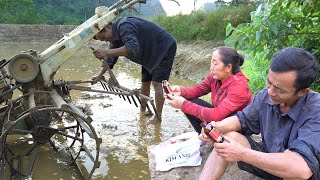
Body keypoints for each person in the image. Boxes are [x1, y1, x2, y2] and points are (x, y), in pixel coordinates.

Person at [198, 47, 320, 179]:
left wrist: (242, 153)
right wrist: (215, 127)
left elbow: (301, 170)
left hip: (295, 174)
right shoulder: (266, 96)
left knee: (295, 172)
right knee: (228, 137)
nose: (270, 92)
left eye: (279, 90)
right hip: (270, 164)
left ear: (302, 92)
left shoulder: (316, 110)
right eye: (269, 82)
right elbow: (242, 119)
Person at [92, 17, 177, 124]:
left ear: (108, 26)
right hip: (147, 52)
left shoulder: (124, 26)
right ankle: (142, 111)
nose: (105, 40)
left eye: (104, 37)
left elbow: (132, 48)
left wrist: (106, 52)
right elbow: (110, 60)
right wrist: (99, 75)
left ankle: (158, 117)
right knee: (145, 83)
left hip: (163, 47)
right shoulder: (114, 37)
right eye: (102, 40)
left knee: (157, 84)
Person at [166, 46, 252, 134]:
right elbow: (199, 90)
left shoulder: (239, 86)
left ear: (228, 67)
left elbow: (216, 115)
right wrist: (181, 91)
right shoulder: (215, 77)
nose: (211, 68)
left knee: (187, 105)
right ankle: (205, 136)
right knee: (189, 101)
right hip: (221, 118)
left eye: (215, 64)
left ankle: (212, 137)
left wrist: (183, 104)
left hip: (237, 126)